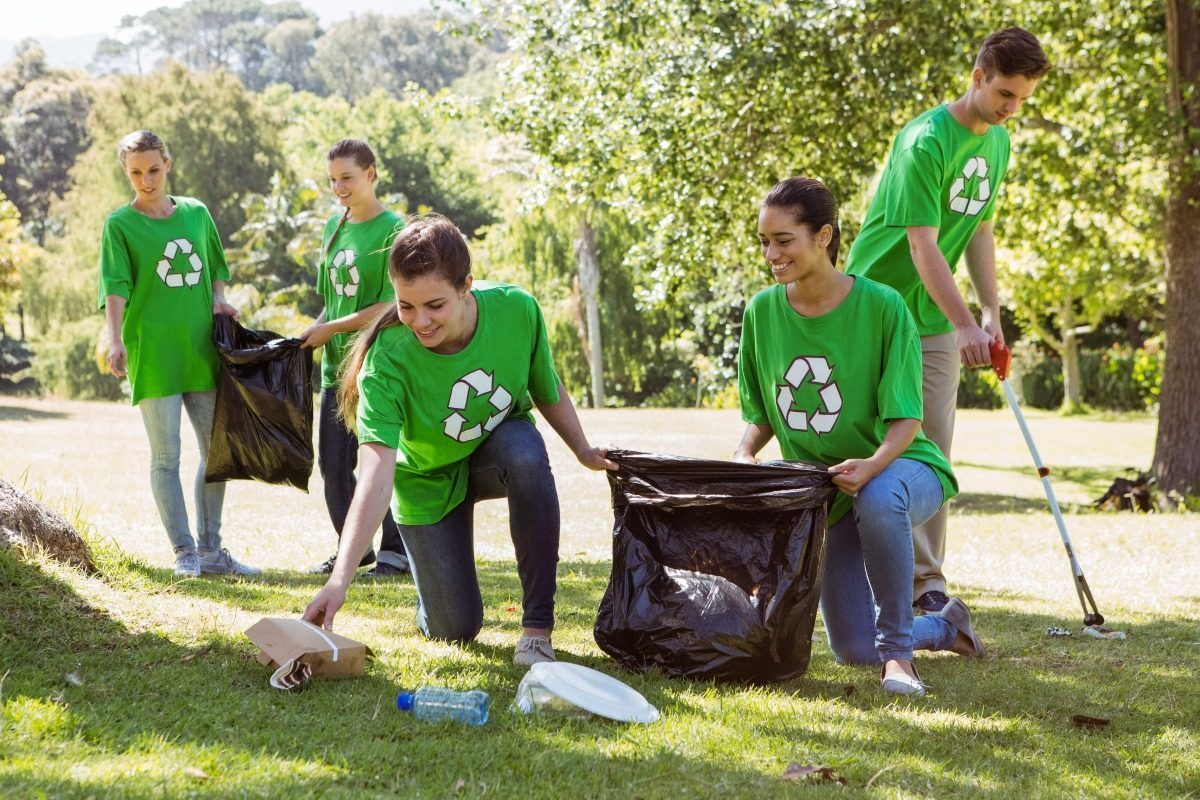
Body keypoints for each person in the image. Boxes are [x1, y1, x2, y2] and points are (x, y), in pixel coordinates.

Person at [302, 214, 614, 666]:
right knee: (455, 629)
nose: (420, 321)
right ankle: (433, 595)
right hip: (426, 480)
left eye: (435, 305)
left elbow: (546, 385)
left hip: (493, 453)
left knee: (525, 451)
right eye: (406, 306)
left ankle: (536, 630)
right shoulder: (387, 359)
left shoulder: (516, 309)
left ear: (466, 284)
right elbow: (374, 473)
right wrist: (340, 579)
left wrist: (583, 451)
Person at [734, 177, 983, 696]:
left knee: (879, 494)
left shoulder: (884, 306)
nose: (771, 254)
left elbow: (906, 421)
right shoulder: (761, 312)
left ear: (823, 237)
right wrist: (745, 452)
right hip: (831, 491)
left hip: (903, 468)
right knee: (851, 649)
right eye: (764, 241)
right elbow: (762, 413)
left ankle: (899, 660)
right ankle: (946, 627)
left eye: (785, 241)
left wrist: (872, 465)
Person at [844, 27, 1051, 614]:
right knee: (869, 442)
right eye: (1006, 94)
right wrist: (964, 324)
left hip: (935, 318)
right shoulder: (925, 141)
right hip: (875, 310)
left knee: (931, 450)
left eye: (1023, 99)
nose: (1012, 109)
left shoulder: (998, 144)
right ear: (978, 76)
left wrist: (988, 311)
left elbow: (980, 230)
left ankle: (925, 588)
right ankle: (843, 574)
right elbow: (922, 246)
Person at [98, 130, 260, 578]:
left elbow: (216, 267)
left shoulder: (196, 213)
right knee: (166, 457)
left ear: (167, 163)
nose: (145, 180)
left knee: (217, 453)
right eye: (135, 173)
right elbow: (114, 286)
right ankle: (184, 552)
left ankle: (212, 551)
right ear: (126, 173)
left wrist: (218, 300)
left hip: (201, 350)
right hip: (152, 352)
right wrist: (114, 339)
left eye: (153, 169)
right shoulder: (120, 225)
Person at [300, 139, 411, 579]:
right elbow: (334, 299)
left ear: (371, 174)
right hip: (334, 369)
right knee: (332, 467)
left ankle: (395, 552)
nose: (339, 187)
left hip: (376, 366)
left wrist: (330, 329)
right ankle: (356, 548)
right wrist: (316, 328)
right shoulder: (334, 226)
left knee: (379, 461)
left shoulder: (393, 231)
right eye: (332, 180)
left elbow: (389, 306)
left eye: (347, 177)